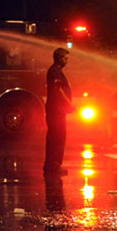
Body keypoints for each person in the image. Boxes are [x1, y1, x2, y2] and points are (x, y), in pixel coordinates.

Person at [43, 48, 74, 176]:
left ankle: (51, 164)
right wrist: (68, 103)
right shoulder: (55, 71)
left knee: (55, 136)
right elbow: (58, 90)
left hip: (56, 108)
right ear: (60, 58)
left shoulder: (55, 71)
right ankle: (54, 165)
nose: (67, 61)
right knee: (58, 137)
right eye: (65, 58)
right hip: (56, 109)